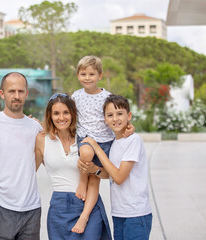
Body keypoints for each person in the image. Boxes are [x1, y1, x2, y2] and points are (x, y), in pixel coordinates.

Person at [35, 93, 112, 240]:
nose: (61, 117)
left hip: (88, 206)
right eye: (56, 113)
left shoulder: (84, 138)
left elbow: (106, 175)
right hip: (59, 208)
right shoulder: (41, 139)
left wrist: (94, 170)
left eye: (66, 112)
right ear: (50, 115)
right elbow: (29, 170)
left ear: (73, 114)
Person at [71, 55, 134, 233]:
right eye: (83, 74)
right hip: (86, 138)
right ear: (78, 75)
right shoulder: (76, 96)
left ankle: (84, 217)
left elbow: (118, 116)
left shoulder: (108, 97)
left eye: (92, 74)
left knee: (96, 180)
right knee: (86, 155)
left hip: (105, 142)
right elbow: (68, 117)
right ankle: (82, 181)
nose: (87, 77)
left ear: (100, 75)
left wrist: (130, 126)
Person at [0, 72, 42, 240]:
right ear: (2, 93)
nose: (16, 96)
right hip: (1, 205)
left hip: (32, 208)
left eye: (21, 91)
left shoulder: (35, 128)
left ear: (27, 94)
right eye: (11, 91)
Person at [80, 94, 152, 240]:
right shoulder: (114, 143)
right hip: (119, 213)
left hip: (136, 214)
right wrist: (95, 169)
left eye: (120, 114)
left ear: (129, 115)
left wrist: (97, 148)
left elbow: (119, 178)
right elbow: (111, 174)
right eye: (110, 115)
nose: (115, 119)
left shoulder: (133, 141)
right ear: (105, 120)